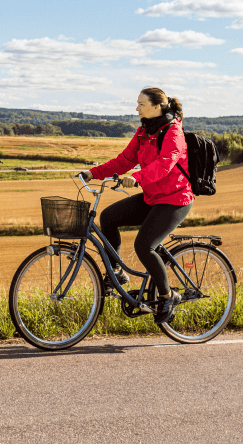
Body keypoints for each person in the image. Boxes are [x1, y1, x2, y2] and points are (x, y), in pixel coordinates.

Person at [79, 87, 193, 323]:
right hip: (152, 197)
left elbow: (165, 164)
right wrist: (93, 173)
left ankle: (167, 295)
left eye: (141, 104)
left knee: (144, 245)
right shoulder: (144, 132)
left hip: (175, 199)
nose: (137, 108)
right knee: (109, 217)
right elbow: (124, 160)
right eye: (137, 104)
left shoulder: (173, 132)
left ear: (157, 106)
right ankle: (117, 274)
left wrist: (137, 177)